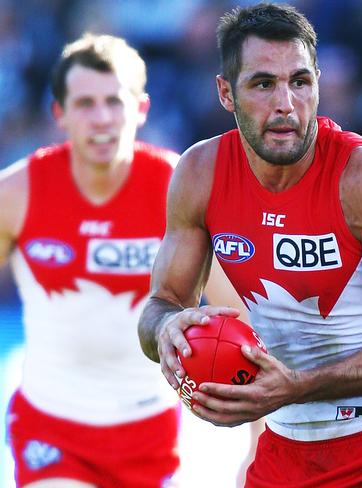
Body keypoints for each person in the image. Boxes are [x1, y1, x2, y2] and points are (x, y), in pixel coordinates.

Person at [138, 3, 362, 488]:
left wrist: (298, 386)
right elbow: (160, 306)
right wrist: (165, 330)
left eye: (300, 82)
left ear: (318, 84)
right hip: (284, 449)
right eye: (263, 84)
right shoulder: (199, 173)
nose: (286, 103)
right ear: (226, 92)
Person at [0, 33, 249, 487]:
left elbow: (244, 317)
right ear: (60, 114)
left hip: (150, 437)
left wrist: (256, 443)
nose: (101, 119)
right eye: (85, 104)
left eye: (114, 102)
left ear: (141, 108)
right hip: (49, 431)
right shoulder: (16, 193)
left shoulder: (178, 187)